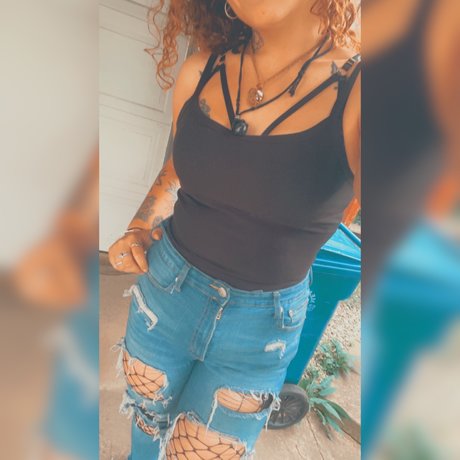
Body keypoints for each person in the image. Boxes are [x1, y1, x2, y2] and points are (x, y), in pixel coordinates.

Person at [108, 1, 361, 458]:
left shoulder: (362, 92)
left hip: (261, 329)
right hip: (166, 291)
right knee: (145, 429)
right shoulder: (202, 70)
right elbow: (178, 166)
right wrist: (141, 224)